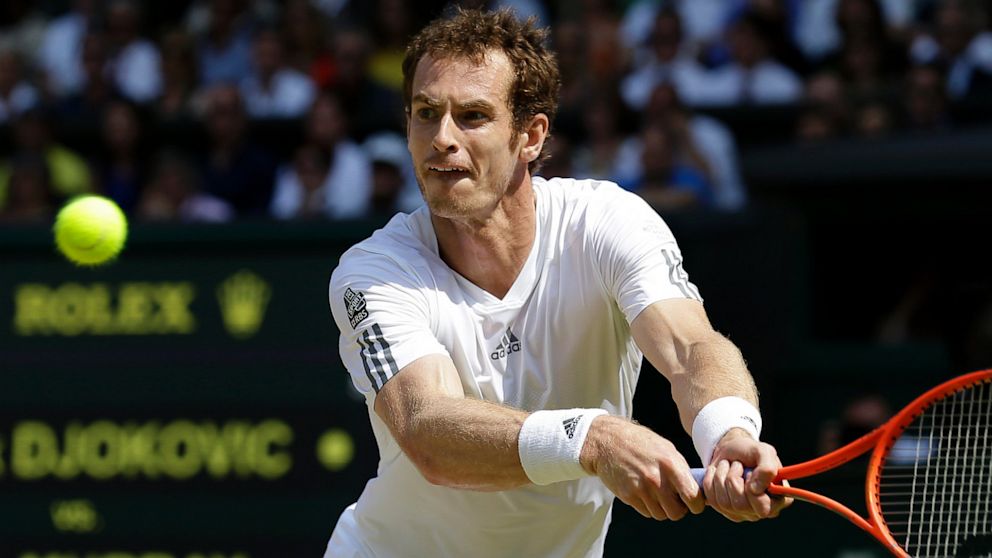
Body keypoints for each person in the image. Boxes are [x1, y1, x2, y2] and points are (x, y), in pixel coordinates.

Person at [325, 9, 789, 558]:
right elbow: (428, 428)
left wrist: (728, 433)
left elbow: (690, 347)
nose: (441, 138)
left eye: (472, 116)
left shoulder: (608, 222)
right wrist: (592, 437)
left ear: (530, 136)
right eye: (425, 114)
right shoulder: (373, 272)